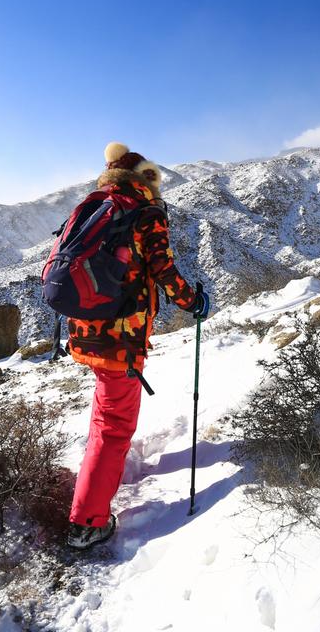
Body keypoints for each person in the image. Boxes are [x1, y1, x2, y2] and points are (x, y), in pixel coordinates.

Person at [65, 142, 210, 551]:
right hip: (120, 340)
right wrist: (192, 302)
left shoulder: (95, 207)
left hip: (84, 331)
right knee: (114, 428)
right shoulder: (143, 213)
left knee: (103, 419)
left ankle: (89, 495)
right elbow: (163, 269)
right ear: (145, 180)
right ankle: (87, 522)